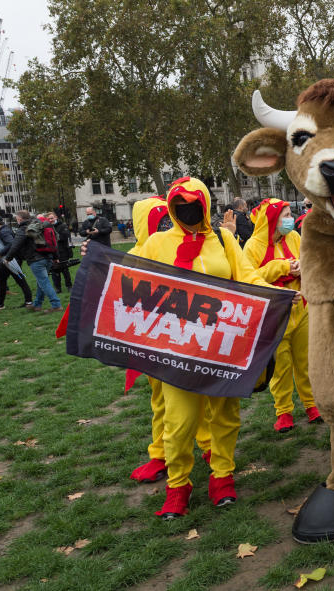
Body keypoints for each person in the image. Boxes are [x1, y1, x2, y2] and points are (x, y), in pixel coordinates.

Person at [138, 177, 276, 517]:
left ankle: (222, 477)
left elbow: (246, 275)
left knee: (225, 416)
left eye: (193, 202)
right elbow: (126, 273)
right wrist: (95, 260)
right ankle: (178, 485)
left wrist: (279, 296)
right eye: (179, 204)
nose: (187, 209)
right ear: (171, 207)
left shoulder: (224, 239)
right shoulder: (156, 242)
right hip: (176, 348)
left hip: (223, 345)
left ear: (206, 204)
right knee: (179, 422)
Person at [125, 196, 213, 485]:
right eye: (159, 221)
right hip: (158, 342)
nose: (168, 226)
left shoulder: (190, 244)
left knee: (203, 394)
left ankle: (209, 444)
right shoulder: (139, 254)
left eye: (168, 219)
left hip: (195, 336)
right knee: (162, 400)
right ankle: (161, 453)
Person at [243, 198, 322, 432]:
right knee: (281, 366)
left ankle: (311, 404)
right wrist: (283, 267)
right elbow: (250, 279)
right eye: (285, 214)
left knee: (306, 361)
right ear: (272, 219)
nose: (290, 218)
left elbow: (310, 262)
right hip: (274, 316)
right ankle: (284, 411)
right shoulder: (252, 246)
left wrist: (301, 267)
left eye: (290, 214)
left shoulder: (294, 238)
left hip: (302, 308)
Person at [0, 211, 60, 312]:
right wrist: (55, 256)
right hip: (48, 257)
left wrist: (7, 258)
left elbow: (15, 245)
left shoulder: (23, 229)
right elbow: (53, 241)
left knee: (44, 282)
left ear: (19, 219)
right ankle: (37, 304)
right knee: (41, 282)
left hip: (36, 260)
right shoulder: (39, 225)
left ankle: (56, 305)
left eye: (17, 219)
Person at [0, 214, 34, 310]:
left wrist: (1, 254)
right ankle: (28, 301)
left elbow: (11, 243)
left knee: (2, 280)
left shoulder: (4, 231)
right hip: (12, 258)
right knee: (18, 279)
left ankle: (0, 304)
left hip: (10, 259)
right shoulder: (4, 230)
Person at [48, 212, 74, 294]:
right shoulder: (48, 227)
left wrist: (54, 237)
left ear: (55, 217)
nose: (50, 220)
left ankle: (69, 286)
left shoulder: (62, 225)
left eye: (52, 218)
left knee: (65, 269)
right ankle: (58, 288)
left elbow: (65, 236)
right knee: (55, 271)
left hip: (63, 251)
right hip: (53, 252)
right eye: (49, 219)